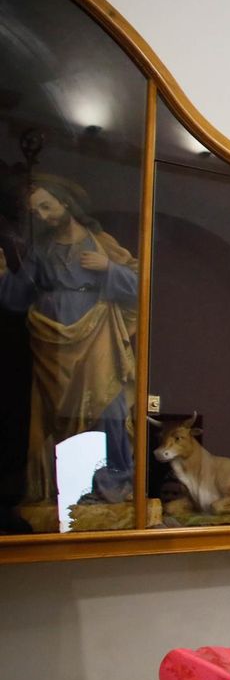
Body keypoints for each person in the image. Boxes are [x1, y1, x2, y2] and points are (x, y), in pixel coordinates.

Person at [0, 174, 138, 509]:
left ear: (65, 203)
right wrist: (3, 275)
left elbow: (140, 285)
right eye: (36, 212)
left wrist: (109, 268)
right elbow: (18, 298)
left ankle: (113, 486)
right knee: (61, 416)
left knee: (108, 407)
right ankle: (72, 489)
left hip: (97, 334)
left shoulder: (99, 241)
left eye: (46, 206)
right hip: (53, 344)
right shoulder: (42, 251)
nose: (43, 216)